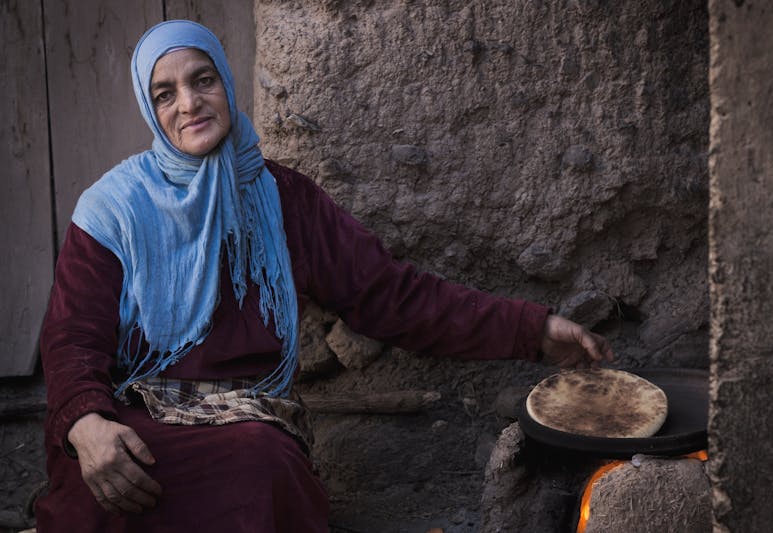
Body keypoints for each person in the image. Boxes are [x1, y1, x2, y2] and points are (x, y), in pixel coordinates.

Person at [35, 20, 614, 533]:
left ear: (227, 86)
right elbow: (71, 338)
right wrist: (86, 424)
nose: (189, 103)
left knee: (261, 465)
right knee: (106, 480)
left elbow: (393, 297)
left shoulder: (287, 202)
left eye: (203, 80)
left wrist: (531, 330)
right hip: (134, 417)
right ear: (149, 109)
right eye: (166, 94)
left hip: (245, 426)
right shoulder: (112, 209)